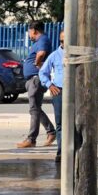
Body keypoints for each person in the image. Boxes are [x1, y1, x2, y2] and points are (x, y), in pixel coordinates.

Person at [16, 21, 56, 149]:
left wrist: (38, 65)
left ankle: (31, 139)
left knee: (34, 109)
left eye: (29, 31)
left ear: (34, 30)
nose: (29, 34)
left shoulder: (42, 40)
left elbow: (41, 53)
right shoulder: (38, 42)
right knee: (36, 109)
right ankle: (51, 131)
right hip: (33, 79)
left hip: (36, 79)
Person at [38, 30, 65, 163]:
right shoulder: (55, 55)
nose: (63, 43)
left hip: (75, 92)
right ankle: (60, 152)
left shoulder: (76, 54)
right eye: (61, 40)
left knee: (76, 123)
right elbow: (42, 73)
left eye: (66, 40)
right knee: (60, 124)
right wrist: (50, 85)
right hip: (59, 92)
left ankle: (75, 151)